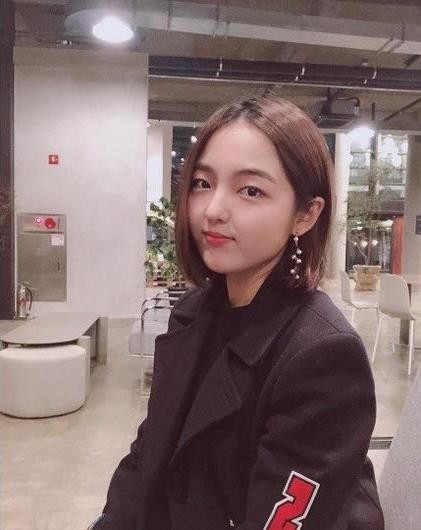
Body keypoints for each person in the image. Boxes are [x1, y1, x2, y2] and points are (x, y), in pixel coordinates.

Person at [90, 96, 384, 529]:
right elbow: (149, 454)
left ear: (305, 214)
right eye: (202, 183)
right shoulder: (193, 312)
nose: (213, 210)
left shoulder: (321, 356)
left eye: (250, 191)